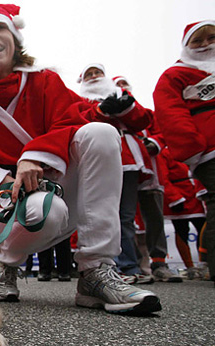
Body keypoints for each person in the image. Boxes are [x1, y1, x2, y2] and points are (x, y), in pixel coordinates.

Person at [0, 4, 161, 315]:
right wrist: (2, 179)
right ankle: (4, 263)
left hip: (53, 182)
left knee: (100, 133)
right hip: (4, 206)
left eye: (0, 28)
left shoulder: (45, 82)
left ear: (15, 39)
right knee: (48, 211)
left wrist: (33, 158)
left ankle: (95, 271)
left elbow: (72, 121)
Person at [76, 64, 157, 284]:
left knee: (126, 216)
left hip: (128, 160)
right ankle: (103, 266)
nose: (94, 77)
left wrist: (126, 108)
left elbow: (144, 121)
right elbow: (76, 122)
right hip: (96, 161)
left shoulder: (122, 94)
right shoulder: (79, 100)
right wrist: (100, 111)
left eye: (97, 73)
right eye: (89, 74)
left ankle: (128, 267)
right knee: (99, 213)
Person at [153, 20, 215, 285]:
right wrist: (194, 146)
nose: (205, 45)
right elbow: (171, 113)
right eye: (197, 41)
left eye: (211, 38)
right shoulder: (176, 74)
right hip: (208, 152)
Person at [113, 75, 171, 281]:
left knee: (153, 215)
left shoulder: (145, 113)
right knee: (125, 216)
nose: (120, 88)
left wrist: (153, 143)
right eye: (116, 85)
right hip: (124, 165)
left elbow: (164, 132)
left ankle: (159, 261)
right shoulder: (112, 114)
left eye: (123, 84)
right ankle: (131, 264)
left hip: (150, 171)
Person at [158, 147, 207, 279]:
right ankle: (190, 267)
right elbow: (163, 177)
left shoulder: (192, 148)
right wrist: (174, 198)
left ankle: (204, 264)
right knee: (181, 230)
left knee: (203, 228)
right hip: (179, 196)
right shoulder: (165, 153)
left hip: (196, 195)